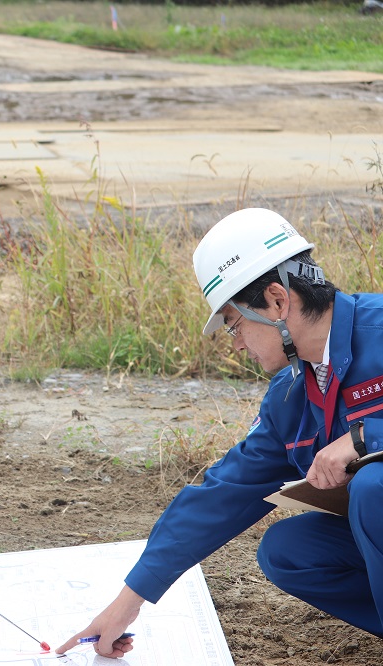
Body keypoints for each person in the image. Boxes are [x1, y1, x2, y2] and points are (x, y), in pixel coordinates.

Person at [56, 208, 383, 658]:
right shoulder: (290, 396)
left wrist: (368, 437)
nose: (235, 343)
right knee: (289, 549)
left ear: (277, 301)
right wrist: (129, 600)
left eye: (234, 323)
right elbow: (224, 493)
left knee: (374, 487)